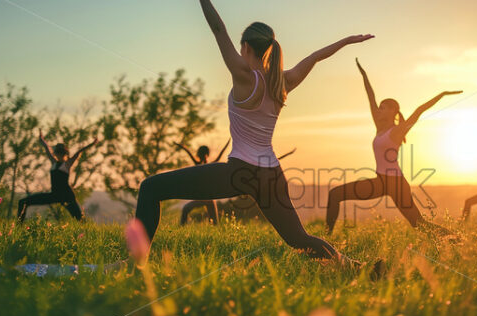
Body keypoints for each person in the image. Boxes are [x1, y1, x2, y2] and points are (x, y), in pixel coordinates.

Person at [135, 0, 373, 263]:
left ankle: (135, 264)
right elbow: (315, 57)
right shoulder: (283, 81)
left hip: (240, 172)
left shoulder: (243, 76)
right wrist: (347, 41)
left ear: (246, 47)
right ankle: (358, 267)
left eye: (240, 48)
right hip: (271, 175)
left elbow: (217, 28)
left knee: (150, 188)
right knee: (298, 238)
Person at [326, 59, 461, 233]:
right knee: (335, 194)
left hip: (396, 183)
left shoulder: (397, 131)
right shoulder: (379, 127)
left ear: (392, 111)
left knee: (418, 224)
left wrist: (441, 94)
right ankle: (325, 240)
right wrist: (364, 75)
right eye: (379, 108)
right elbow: (370, 95)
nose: (378, 110)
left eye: (383, 108)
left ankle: (457, 240)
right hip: (380, 181)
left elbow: (419, 110)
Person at [18, 129, 99, 221]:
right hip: (54, 195)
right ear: (56, 153)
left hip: (67, 196)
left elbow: (79, 152)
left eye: (61, 154)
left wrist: (93, 143)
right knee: (23, 202)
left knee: (80, 219)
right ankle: (19, 226)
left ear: (65, 154)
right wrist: (42, 139)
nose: (59, 156)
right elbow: (46, 147)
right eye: (57, 153)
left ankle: (86, 232)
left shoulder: (67, 164)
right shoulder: (54, 163)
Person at [173, 139, 230, 225]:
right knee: (214, 222)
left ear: (201, 154)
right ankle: (181, 226)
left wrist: (227, 143)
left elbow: (188, 151)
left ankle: (182, 226)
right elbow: (188, 151)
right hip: (207, 198)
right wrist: (180, 145)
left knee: (186, 209)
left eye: (200, 154)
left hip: (207, 198)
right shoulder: (204, 164)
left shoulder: (205, 164)